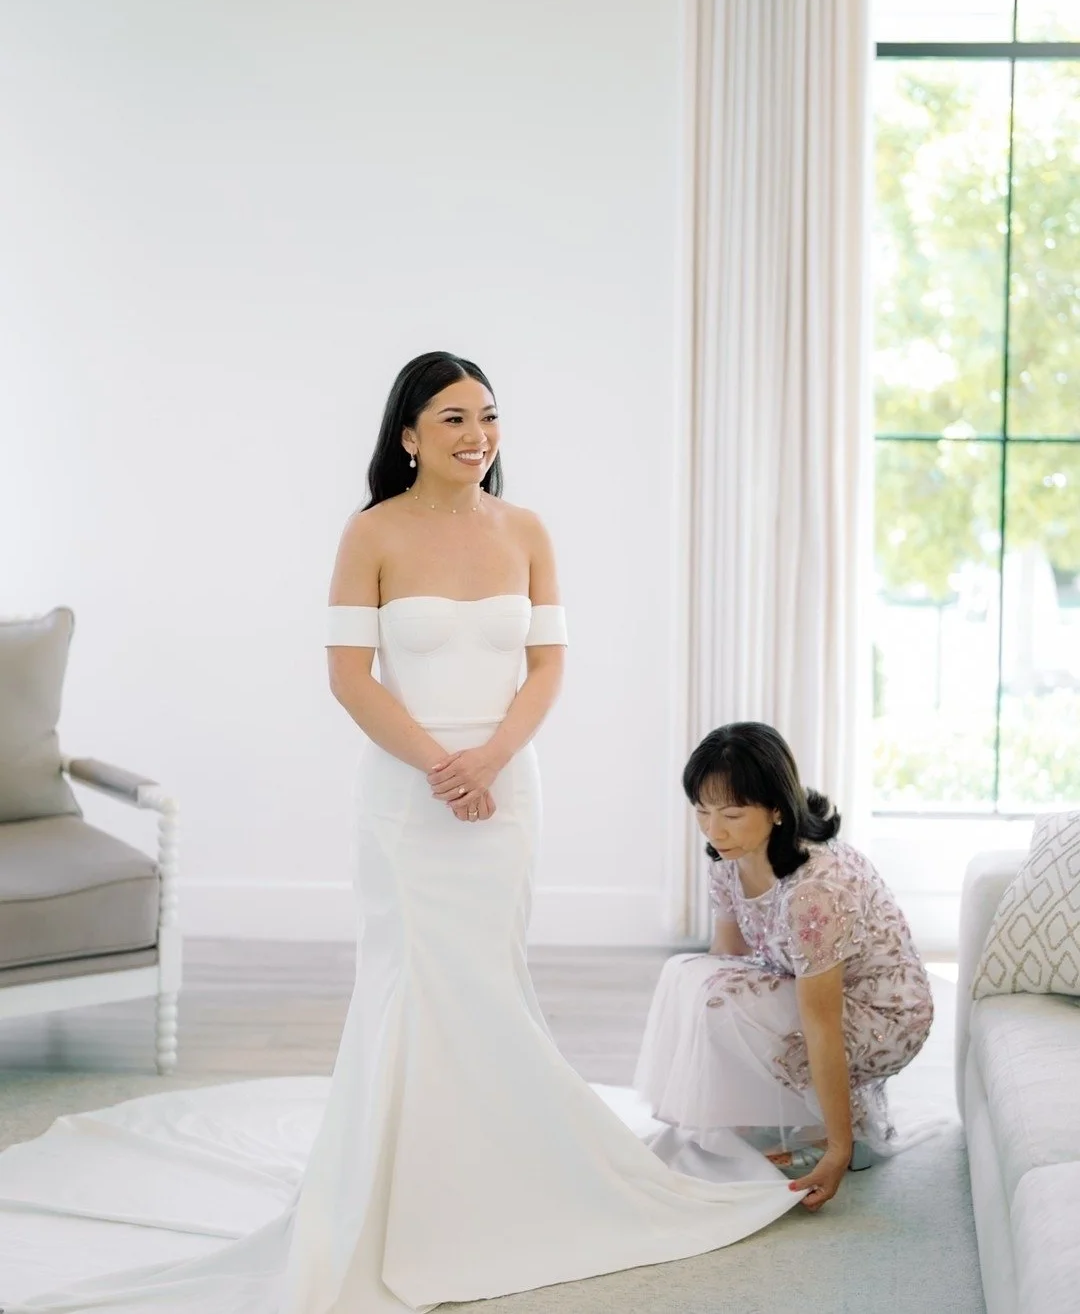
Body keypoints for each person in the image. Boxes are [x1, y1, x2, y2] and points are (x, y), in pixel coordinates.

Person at [0, 355, 800, 1314]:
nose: (478, 435)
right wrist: (439, 766)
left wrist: (489, 760)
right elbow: (350, 676)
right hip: (404, 794)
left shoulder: (526, 530)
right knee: (411, 980)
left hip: (505, 787)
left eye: (489, 416)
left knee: (490, 978)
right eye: (453, 417)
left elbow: (547, 667)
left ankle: (503, 1177)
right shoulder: (371, 532)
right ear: (410, 434)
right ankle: (400, 1192)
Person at [635, 721, 935, 1212]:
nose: (714, 830)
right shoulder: (728, 857)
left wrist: (838, 1149)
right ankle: (755, 1118)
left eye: (732, 814)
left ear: (777, 808)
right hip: (811, 989)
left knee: (722, 996)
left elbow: (822, 1021)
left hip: (883, 1014)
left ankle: (840, 1130)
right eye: (702, 811)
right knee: (688, 976)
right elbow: (726, 955)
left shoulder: (816, 887)